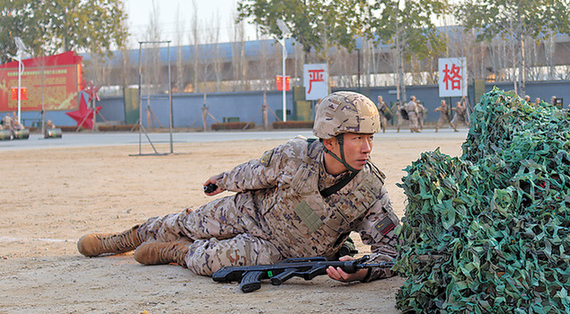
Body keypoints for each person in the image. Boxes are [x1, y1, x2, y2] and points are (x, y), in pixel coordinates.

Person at [77, 91, 399, 283]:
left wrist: (361, 273)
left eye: (370, 138)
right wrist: (223, 180)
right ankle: (124, 239)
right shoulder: (295, 155)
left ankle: (174, 252)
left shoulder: (368, 192)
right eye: (358, 138)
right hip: (249, 211)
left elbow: (392, 251)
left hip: (278, 252)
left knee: (213, 262)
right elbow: (254, 173)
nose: (367, 148)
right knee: (186, 222)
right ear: (330, 140)